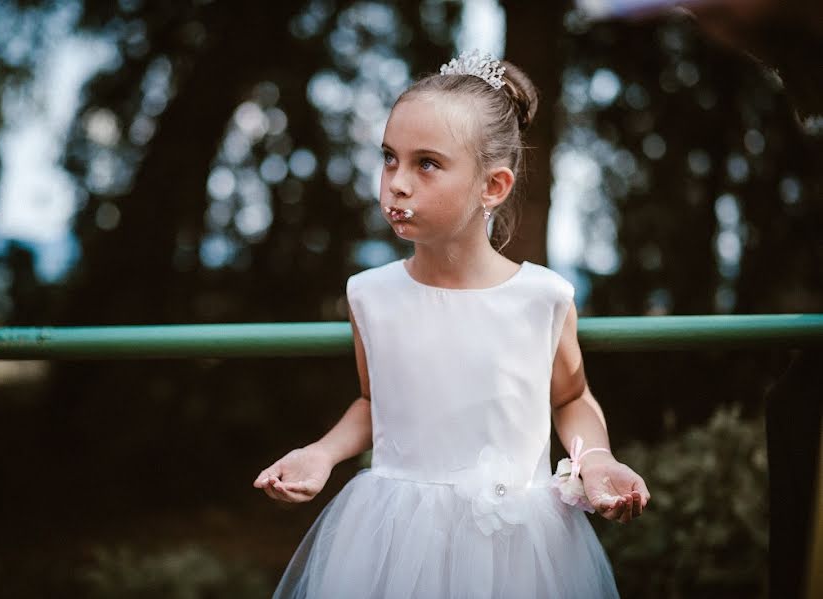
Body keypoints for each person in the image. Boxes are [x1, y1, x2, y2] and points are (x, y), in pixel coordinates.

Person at [253, 50, 650, 598]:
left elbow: (570, 398)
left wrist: (597, 458)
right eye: (389, 158)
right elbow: (375, 402)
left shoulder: (542, 298)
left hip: (518, 550)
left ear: (493, 186)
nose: (396, 183)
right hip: (392, 538)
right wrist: (320, 453)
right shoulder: (371, 295)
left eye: (427, 164)